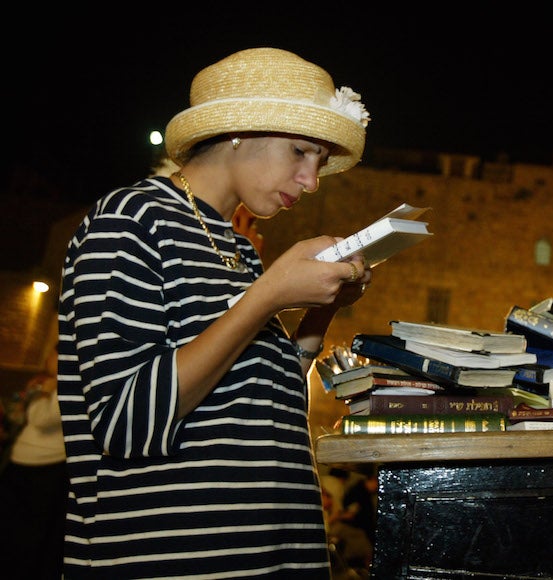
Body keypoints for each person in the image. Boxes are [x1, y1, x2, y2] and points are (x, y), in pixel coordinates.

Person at [57, 47, 372, 578]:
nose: (312, 180)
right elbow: (125, 422)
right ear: (239, 131)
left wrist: (322, 313)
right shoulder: (130, 218)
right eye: (299, 151)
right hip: (174, 560)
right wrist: (268, 294)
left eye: (319, 162)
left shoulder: (238, 248)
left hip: (273, 549)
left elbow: (262, 406)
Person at [0, 338, 68, 579]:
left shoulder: (66, 387)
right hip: (23, 461)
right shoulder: (43, 383)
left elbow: (40, 419)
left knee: (30, 533)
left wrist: (45, 394)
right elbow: (20, 415)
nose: (48, 359)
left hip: (45, 467)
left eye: (52, 354)